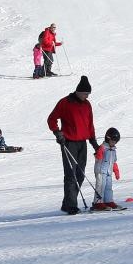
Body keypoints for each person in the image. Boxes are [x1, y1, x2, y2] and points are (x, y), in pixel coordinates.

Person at [47, 76, 97, 214]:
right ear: (79, 91)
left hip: (82, 143)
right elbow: (51, 119)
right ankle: (71, 206)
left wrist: (94, 143)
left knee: (80, 174)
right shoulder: (65, 103)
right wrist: (58, 133)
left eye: (88, 94)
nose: (87, 96)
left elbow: (90, 125)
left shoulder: (87, 105)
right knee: (71, 175)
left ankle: (66, 203)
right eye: (85, 93)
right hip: (69, 143)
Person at [92, 128, 122, 210]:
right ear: (108, 138)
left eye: (115, 142)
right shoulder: (103, 148)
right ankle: (98, 203)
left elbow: (114, 162)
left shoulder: (113, 150)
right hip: (101, 171)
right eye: (112, 141)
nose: (114, 143)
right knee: (101, 186)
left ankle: (108, 201)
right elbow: (98, 157)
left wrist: (116, 171)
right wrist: (98, 153)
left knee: (108, 187)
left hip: (108, 172)